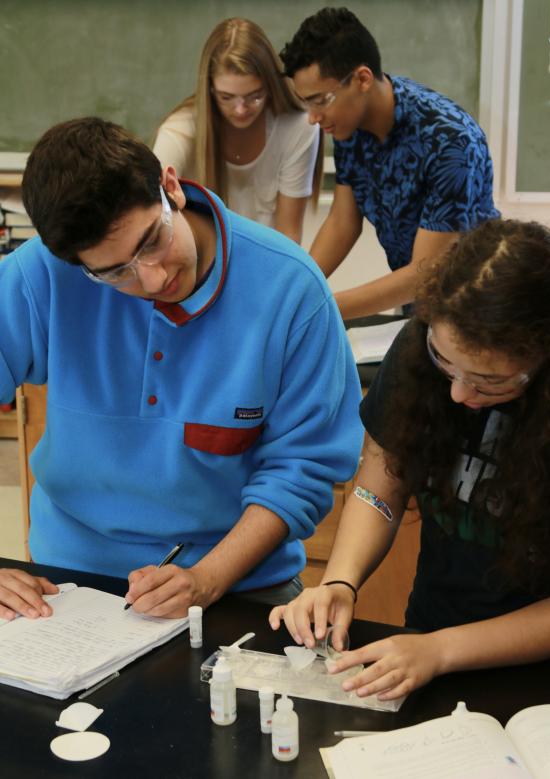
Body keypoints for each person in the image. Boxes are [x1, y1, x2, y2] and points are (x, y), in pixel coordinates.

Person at [0, 117, 362, 621]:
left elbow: (302, 472)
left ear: (171, 187)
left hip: (237, 587)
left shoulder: (291, 291)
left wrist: (206, 580)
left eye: (152, 240)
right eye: (115, 272)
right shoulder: (43, 273)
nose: (152, 278)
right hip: (68, 583)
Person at [270, 219, 550, 701]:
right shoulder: (419, 350)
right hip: (426, 642)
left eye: (489, 381)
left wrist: (441, 650)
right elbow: (379, 486)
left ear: (548, 354)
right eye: (446, 364)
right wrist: (342, 579)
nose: (458, 392)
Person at [279, 7, 499, 319]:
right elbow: (343, 222)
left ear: (363, 79)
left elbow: (425, 273)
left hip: (479, 308)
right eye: (306, 103)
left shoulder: (449, 140)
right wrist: (297, 289)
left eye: (320, 101)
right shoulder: (348, 127)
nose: (313, 118)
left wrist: (317, 309)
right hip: (421, 307)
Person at [154, 17, 322, 244]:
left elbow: (288, 236)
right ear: (210, 89)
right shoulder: (179, 131)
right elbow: (153, 214)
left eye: (255, 96)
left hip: (267, 259)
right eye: (227, 97)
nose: (241, 110)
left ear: (271, 85)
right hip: (201, 268)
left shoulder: (298, 125)